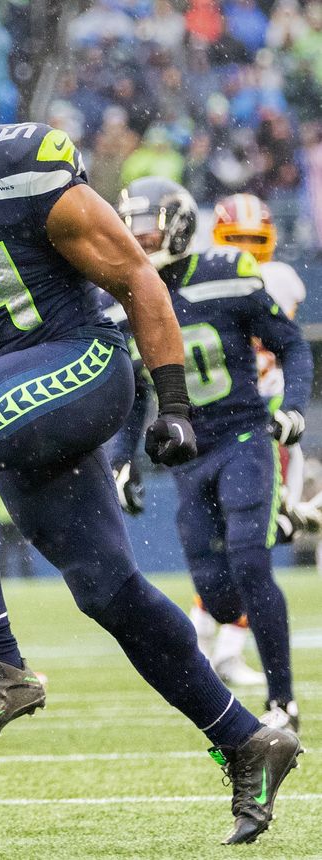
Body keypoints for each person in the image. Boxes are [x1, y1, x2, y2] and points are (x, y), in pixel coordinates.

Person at [0, 45, 302, 845]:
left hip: (81, 359)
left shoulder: (28, 165)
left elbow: (137, 278)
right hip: (6, 381)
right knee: (106, 588)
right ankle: (247, 740)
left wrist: (172, 400)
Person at [111, 177, 313, 737]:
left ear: (177, 224)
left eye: (147, 226)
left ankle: (283, 701)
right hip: (188, 452)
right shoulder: (128, 294)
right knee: (216, 589)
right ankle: (233, 636)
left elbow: (292, 344)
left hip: (246, 436)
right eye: (130, 226)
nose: (138, 237)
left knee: (250, 560)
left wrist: (294, 408)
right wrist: (122, 457)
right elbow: (132, 388)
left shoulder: (226, 275)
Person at [189, 192, 321, 687]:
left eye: (254, 240)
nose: (246, 247)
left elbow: (284, 344)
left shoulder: (276, 279)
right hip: (228, 422)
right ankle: (209, 637)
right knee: (241, 544)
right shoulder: (218, 278)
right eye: (237, 239)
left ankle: (216, 642)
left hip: (268, 422)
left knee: (249, 544)